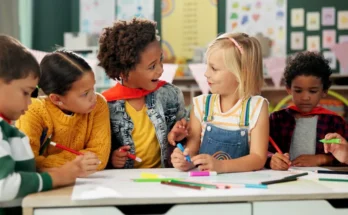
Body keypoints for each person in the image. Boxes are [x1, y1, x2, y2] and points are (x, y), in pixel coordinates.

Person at [0, 34, 83, 214]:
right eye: (25, 92)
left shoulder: (8, 131)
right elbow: (3, 186)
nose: (29, 103)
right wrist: (55, 177)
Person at [170, 33, 269, 173]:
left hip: (242, 187)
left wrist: (221, 166)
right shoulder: (201, 105)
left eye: (214, 69)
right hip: (206, 185)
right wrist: (185, 160)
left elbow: (258, 158)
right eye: (207, 67)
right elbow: (192, 149)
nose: (206, 74)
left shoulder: (257, 107)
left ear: (241, 73)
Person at [97, 18, 187, 169]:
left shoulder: (171, 95)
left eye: (161, 61)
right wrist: (113, 158)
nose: (160, 70)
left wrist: (181, 133)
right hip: (127, 182)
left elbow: (186, 136)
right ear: (125, 72)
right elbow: (100, 150)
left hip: (165, 177)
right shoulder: (105, 104)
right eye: (152, 66)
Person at [16, 50, 111, 174]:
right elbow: (28, 162)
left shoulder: (98, 104)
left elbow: (99, 159)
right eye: (85, 93)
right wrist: (76, 165)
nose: (94, 97)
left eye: (93, 87)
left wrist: (46, 164)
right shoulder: (33, 111)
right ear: (56, 99)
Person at [268, 51, 347, 170]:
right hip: (283, 182)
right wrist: (271, 160)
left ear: (324, 91)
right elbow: (260, 152)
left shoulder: (335, 122)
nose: (305, 97)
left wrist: (321, 159)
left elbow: (345, 156)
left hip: (323, 185)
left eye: (313, 91)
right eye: (298, 91)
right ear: (289, 89)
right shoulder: (276, 119)